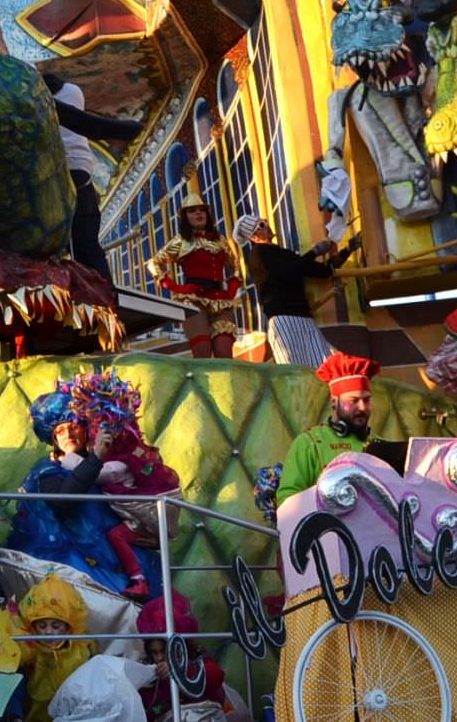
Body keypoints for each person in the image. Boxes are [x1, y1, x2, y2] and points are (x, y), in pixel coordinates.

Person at [10, 390, 156, 600]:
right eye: (60, 431)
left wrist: (147, 527)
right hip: (71, 563)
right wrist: (95, 459)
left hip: (119, 558)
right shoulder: (47, 469)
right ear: (52, 437)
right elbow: (63, 503)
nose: (68, 435)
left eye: (73, 427)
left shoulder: (111, 462)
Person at [43, 72, 142, 284]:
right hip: (80, 173)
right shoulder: (72, 90)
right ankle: (105, 298)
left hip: (48, 175)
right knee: (87, 245)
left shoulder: (33, 94)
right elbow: (83, 123)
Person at [233, 214, 346, 366]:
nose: (267, 226)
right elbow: (290, 270)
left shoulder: (282, 253)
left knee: (323, 369)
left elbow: (322, 271)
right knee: (295, 372)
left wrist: (348, 250)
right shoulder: (258, 254)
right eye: (261, 225)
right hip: (283, 320)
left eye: (264, 222)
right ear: (254, 237)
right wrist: (314, 252)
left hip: (305, 319)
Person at [274, 352, 382, 507]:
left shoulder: (379, 443)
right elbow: (287, 500)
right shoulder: (309, 443)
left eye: (366, 400)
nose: (362, 407)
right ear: (333, 402)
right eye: (354, 401)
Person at [149, 202, 240, 359]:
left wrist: (233, 286)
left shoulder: (220, 241)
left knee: (225, 353)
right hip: (193, 299)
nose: (199, 214)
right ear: (186, 217)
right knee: (203, 351)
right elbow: (153, 263)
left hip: (220, 299)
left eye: (202, 210)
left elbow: (235, 264)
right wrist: (173, 286)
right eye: (192, 211)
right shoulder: (180, 241)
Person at [136, 594, 228, 722]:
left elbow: (215, 676)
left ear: (178, 647)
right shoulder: (150, 677)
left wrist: (179, 672)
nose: (159, 657)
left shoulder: (198, 662)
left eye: (163, 651)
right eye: (154, 653)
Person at [18, 573, 94, 722]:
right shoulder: (28, 652)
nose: (48, 632)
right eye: (42, 625)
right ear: (33, 627)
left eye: (56, 625)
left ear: (67, 627)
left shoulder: (82, 651)